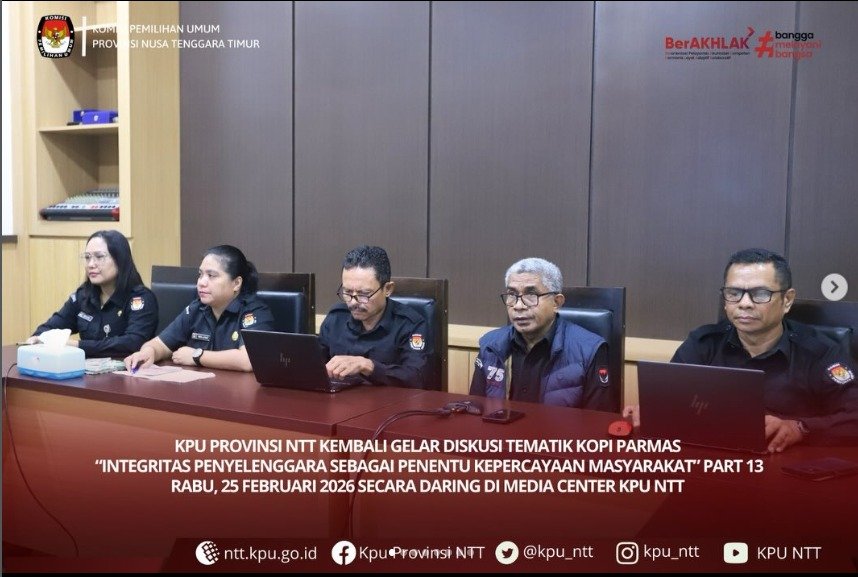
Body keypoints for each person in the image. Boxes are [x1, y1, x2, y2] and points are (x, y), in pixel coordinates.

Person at [626, 248, 857, 451]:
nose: (744, 303)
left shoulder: (820, 352)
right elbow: (668, 400)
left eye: (760, 294)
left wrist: (800, 428)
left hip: (787, 469)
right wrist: (651, 409)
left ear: (787, 300)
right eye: (734, 293)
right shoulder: (703, 343)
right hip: (714, 463)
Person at [469, 258, 614, 411]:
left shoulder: (590, 350)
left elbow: (597, 420)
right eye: (512, 294)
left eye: (531, 295)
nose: (518, 306)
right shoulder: (491, 345)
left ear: (556, 302)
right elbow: (475, 408)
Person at [124, 245, 274, 372]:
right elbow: (159, 344)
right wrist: (147, 352)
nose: (201, 282)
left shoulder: (255, 312)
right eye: (200, 275)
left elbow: (248, 360)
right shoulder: (196, 309)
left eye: (211, 275)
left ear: (236, 283)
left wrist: (197, 356)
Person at [26, 230, 158, 358]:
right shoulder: (83, 295)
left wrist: (78, 345)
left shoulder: (140, 299)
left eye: (99, 257)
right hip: (86, 370)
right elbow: (51, 327)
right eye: (87, 257)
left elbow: (132, 343)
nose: (91, 264)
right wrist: (38, 338)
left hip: (127, 370)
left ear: (120, 260)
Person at [318, 245, 429, 388]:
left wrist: (369, 366)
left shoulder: (410, 325)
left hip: (389, 401)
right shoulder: (336, 318)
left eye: (364, 294)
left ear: (387, 289)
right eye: (347, 292)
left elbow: (417, 379)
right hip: (340, 399)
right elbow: (314, 366)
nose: (353, 302)